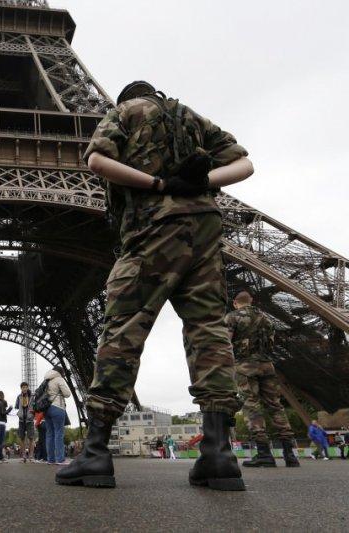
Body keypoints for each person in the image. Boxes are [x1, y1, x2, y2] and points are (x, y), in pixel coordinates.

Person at [57, 80, 254, 492]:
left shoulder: (126, 111)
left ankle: (95, 451)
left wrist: (159, 185)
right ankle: (219, 453)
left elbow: (97, 161)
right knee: (209, 330)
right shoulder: (189, 116)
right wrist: (200, 183)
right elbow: (244, 165)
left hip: (154, 228)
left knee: (123, 328)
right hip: (204, 228)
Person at [226, 290, 299, 468]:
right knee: (275, 405)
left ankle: (264, 454)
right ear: (251, 300)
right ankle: (290, 455)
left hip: (245, 366)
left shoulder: (232, 317)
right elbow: (271, 344)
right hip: (267, 365)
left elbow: (226, 343)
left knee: (251, 405)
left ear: (235, 303)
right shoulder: (266, 319)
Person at [40, 367, 71, 466]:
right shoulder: (59, 379)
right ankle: (60, 459)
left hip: (46, 409)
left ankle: (51, 459)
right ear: (60, 372)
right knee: (59, 433)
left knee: (49, 434)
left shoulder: (46, 380)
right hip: (57, 407)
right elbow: (67, 394)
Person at [15, 382, 35, 462]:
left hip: (29, 419)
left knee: (31, 438)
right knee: (21, 438)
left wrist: (32, 413)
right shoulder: (19, 397)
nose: (24, 389)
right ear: (21, 388)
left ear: (28, 387)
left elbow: (35, 405)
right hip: (21, 419)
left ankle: (31, 455)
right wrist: (18, 413)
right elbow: (16, 406)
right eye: (23, 387)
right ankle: (24, 455)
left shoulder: (32, 396)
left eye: (26, 387)